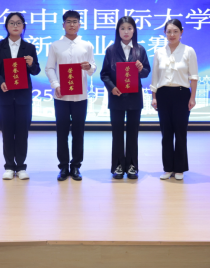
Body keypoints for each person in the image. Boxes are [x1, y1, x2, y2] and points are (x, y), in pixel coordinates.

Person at [0, 12, 41, 180]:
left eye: (18, 23)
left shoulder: (29, 47)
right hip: (5, 97)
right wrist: (0, 82)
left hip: (23, 97)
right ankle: (9, 166)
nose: (15, 26)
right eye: (12, 23)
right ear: (7, 26)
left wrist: (31, 64)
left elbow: (36, 70)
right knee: (8, 133)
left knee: (22, 133)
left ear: (23, 26)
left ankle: (21, 166)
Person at [45, 10, 96, 181]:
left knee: (78, 132)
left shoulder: (87, 45)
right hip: (61, 96)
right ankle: (63, 167)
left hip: (80, 96)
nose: (72, 25)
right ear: (63, 25)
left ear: (79, 24)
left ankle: (76, 166)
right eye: (68, 21)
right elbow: (49, 68)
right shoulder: (55, 45)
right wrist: (56, 85)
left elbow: (92, 68)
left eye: (75, 21)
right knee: (62, 132)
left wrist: (89, 67)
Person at [100, 17, 151, 179]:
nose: (126, 31)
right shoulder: (111, 50)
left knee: (132, 133)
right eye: (123, 28)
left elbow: (146, 72)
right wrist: (112, 87)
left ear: (134, 30)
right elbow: (104, 74)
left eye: (129, 28)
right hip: (117, 97)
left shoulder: (140, 50)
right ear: (118, 31)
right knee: (117, 133)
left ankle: (132, 166)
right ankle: (118, 166)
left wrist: (141, 69)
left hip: (134, 98)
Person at [150, 19, 198, 181]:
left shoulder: (189, 51)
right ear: (164, 33)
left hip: (181, 94)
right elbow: (155, 76)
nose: (172, 35)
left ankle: (179, 168)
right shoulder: (159, 52)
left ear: (181, 33)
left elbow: (194, 77)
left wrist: (192, 97)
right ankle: (167, 168)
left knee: (180, 132)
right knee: (166, 134)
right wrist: (154, 97)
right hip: (163, 94)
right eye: (169, 31)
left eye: (175, 31)